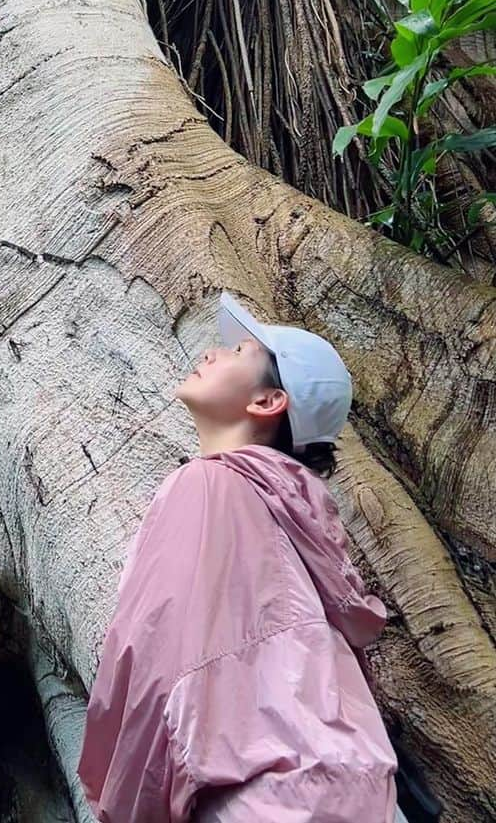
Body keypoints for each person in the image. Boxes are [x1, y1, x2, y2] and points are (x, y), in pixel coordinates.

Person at [76, 291, 401, 822]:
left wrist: (124, 800)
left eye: (237, 352)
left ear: (268, 402)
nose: (210, 354)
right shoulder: (292, 512)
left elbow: (159, 657)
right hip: (352, 784)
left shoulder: (207, 484)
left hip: (255, 795)